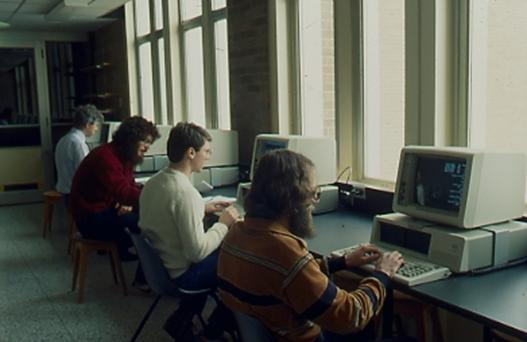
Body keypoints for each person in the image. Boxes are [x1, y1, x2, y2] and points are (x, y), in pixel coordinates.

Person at [217, 150, 404, 342]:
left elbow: (289, 281)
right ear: (293, 200)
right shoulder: (285, 251)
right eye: (314, 194)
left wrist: (342, 262)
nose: (314, 203)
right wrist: (382, 274)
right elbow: (351, 315)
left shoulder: (236, 232)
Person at [139, 121, 239, 340]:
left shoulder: (154, 182)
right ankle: (215, 329)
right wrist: (223, 223)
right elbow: (197, 252)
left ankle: (182, 319)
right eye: (206, 151)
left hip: (161, 266)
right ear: (191, 152)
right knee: (239, 265)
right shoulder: (186, 193)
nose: (209, 156)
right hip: (182, 275)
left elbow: (168, 214)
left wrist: (201, 209)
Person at [70, 116, 159, 261]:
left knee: (145, 222)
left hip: (101, 211)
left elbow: (128, 187)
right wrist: (155, 197)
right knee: (149, 223)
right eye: (145, 142)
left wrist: (132, 200)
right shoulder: (105, 157)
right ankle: (144, 271)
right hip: (89, 220)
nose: (147, 147)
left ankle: (130, 257)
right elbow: (123, 193)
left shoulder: (123, 156)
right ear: (130, 140)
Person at [55, 104, 103, 196]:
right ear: (88, 124)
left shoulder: (64, 139)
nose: (97, 129)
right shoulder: (78, 143)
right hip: (76, 193)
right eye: (96, 125)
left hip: (64, 190)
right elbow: (85, 172)